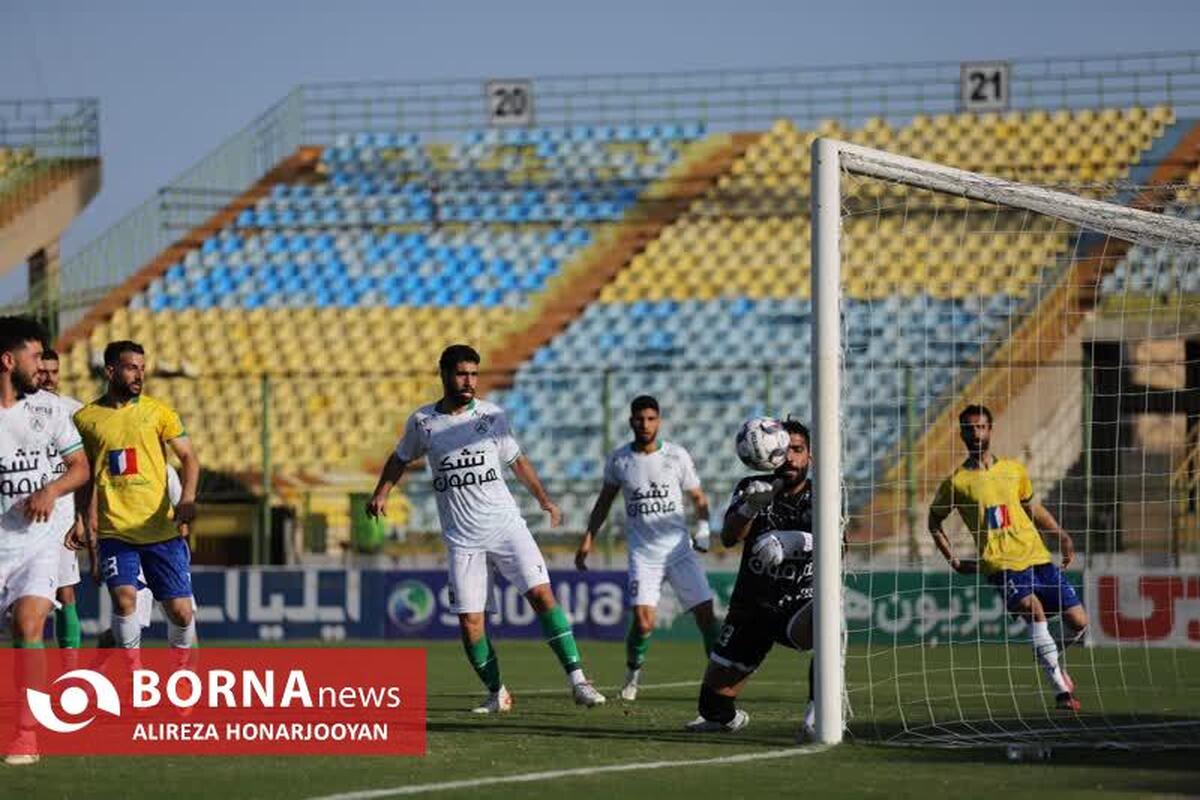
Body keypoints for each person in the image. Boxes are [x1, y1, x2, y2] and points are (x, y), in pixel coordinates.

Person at [368, 344, 605, 712]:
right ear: (444, 374)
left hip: (506, 527)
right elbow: (400, 457)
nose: (469, 381)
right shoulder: (423, 422)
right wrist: (382, 491)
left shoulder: (493, 416)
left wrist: (544, 499)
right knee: (470, 623)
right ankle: (497, 692)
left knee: (542, 595)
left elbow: (517, 460)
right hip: (463, 540)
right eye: (462, 373)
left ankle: (579, 680)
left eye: (474, 374)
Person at [928, 404, 1088, 711]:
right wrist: (953, 559)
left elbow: (1031, 508)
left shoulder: (1014, 470)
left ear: (990, 430)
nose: (976, 433)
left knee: (1079, 621)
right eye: (969, 428)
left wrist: (1062, 535)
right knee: (1034, 610)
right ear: (961, 434)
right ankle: (1061, 692)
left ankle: (1051, 657)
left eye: (981, 427)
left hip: (1037, 557)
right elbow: (933, 522)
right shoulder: (957, 482)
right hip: (1002, 567)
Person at [576, 394, 719, 701]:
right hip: (644, 556)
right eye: (640, 419)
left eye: (651, 418)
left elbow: (699, 498)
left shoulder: (677, 456)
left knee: (707, 617)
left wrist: (704, 528)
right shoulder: (620, 460)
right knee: (643, 622)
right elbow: (604, 501)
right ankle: (632, 675)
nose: (645, 424)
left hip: (680, 551)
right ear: (631, 422)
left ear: (659, 421)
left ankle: (720, 682)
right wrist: (589, 537)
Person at [685, 419, 816, 740]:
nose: (791, 458)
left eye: (798, 450)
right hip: (752, 607)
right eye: (785, 450)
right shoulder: (752, 488)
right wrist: (750, 507)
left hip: (800, 603)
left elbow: (839, 548)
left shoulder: (824, 495)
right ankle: (724, 717)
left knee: (831, 619)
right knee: (712, 708)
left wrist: (791, 541)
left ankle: (820, 713)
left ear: (810, 455)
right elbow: (729, 537)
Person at [70, 341, 201, 656]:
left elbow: (189, 458)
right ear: (111, 370)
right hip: (116, 532)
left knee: (181, 612)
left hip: (160, 532)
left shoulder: (159, 413)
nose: (139, 375)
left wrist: (188, 499)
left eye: (142, 368)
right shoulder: (85, 420)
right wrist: (85, 527)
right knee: (125, 599)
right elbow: (85, 478)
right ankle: (134, 678)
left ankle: (182, 677)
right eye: (131, 368)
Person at [0, 318, 90, 765]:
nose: (43, 366)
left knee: (29, 626)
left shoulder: (51, 410)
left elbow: (80, 467)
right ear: (7, 360)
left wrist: (51, 491)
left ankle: (26, 733)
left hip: (37, 543)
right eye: (35, 357)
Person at [35, 348, 86, 656]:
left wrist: (81, 517)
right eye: (44, 372)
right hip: (23, 519)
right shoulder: (15, 410)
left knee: (66, 594)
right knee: (27, 603)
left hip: (63, 520)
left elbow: (85, 470)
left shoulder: (74, 411)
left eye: (55, 372)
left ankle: (71, 672)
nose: (50, 379)